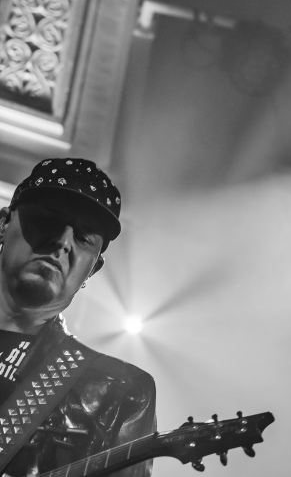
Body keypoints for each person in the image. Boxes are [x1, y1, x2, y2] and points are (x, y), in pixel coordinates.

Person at [0, 158, 156, 477]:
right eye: (49, 220)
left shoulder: (121, 391)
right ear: (4, 223)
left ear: (93, 268)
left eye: (84, 237)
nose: (63, 242)